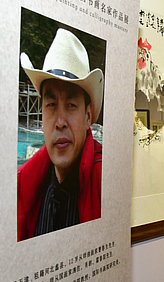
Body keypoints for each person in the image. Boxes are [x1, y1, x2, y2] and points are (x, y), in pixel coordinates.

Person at [17, 28, 104, 241]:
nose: (60, 122)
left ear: (88, 116)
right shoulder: (24, 186)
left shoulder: (105, 182)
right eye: (51, 105)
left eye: (71, 105)